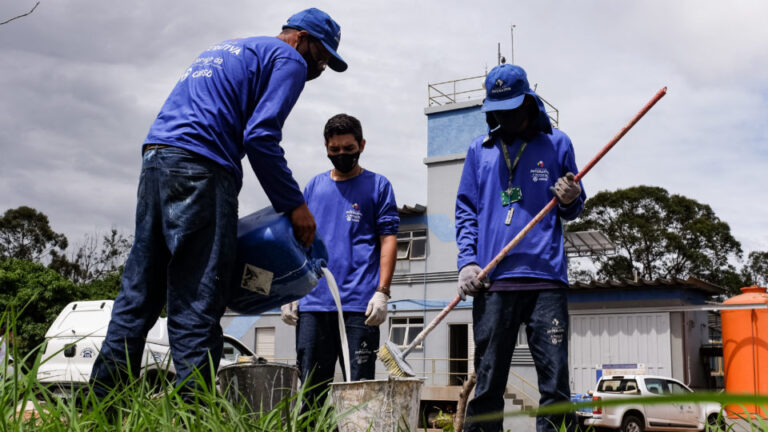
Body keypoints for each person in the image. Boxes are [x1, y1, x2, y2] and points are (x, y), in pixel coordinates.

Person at [89, 8, 347, 397]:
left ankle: (99, 409)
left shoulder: (232, 48)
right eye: (323, 55)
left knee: (139, 294)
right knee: (198, 295)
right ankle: (195, 413)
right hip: (204, 169)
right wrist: (295, 206)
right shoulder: (289, 59)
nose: (322, 66)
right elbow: (260, 136)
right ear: (302, 38)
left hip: (157, 160)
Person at [455, 64, 586, 432]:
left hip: (545, 280)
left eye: (511, 108)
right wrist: (467, 262)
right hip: (493, 282)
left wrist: (571, 198)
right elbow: (466, 211)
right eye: (497, 110)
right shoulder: (479, 150)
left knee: (555, 383)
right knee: (488, 382)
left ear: (528, 102)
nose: (503, 117)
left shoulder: (557, 143)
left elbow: (574, 206)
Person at [280, 113, 399, 408]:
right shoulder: (314, 187)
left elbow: (388, 240)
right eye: (335, 150)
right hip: (314, 305)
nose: (341, 155)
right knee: (310, 395)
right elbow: (299, 241)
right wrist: (291, 290)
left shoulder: (378, 186)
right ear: (326, 147)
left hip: (359, 307)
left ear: (361, 144)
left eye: (348, 149)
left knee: (358, 396)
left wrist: (382, 292)